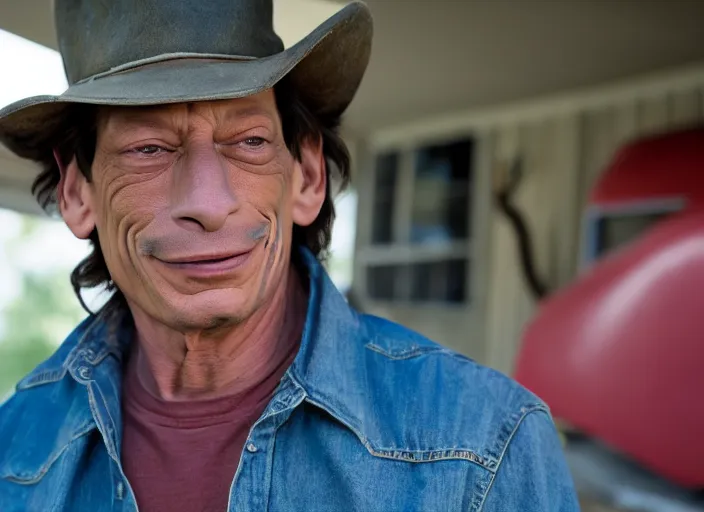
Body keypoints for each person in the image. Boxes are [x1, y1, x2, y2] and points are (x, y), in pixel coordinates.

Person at [0, 0, 580, 510]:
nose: (208, 203)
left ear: (305, 175)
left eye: (249, 141)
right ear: (79, 194)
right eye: (148, 148)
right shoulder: (11, 453)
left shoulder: (486, 444)